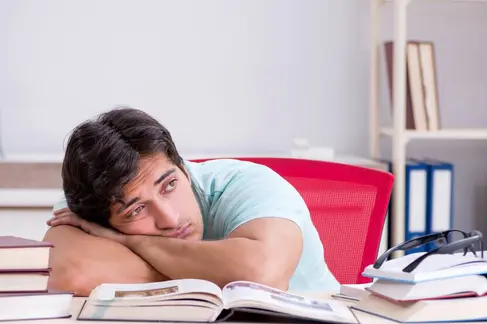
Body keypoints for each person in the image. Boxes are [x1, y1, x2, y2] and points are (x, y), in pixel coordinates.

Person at [44, 107, 340, 296]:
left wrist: (135, 243)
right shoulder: (87, 201)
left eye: (169, 185)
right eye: (136, 210)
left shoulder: (250, 183)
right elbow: (70, 273)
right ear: (102, 220)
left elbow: (261, 275)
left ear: (183, 167)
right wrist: (220, 270)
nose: (169, 219)